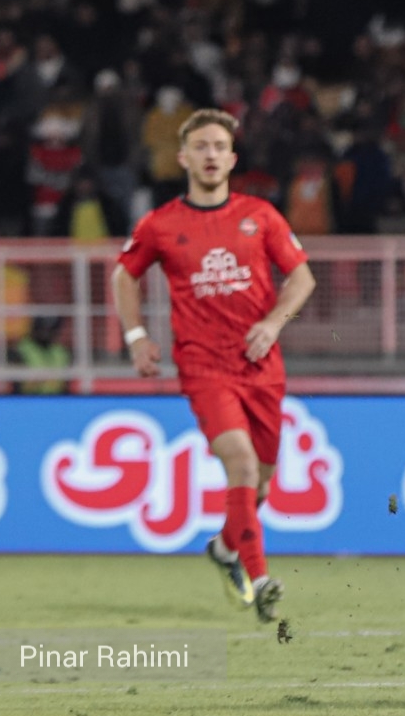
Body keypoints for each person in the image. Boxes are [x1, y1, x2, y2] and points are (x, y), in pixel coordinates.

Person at [112, 109, 316, 623]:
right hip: (204, 368)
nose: (210, 155)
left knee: (260, 485)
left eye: (219, 147)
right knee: (241, 464)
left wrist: (272, 324)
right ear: (183, 157)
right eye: (200, 146)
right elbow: (123, 275)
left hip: (261, 367)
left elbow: (302, 278)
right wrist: (136, 336)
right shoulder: (160, 224)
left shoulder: (260, 216)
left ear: (232, 158)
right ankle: (261, 580)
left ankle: (225, 549)